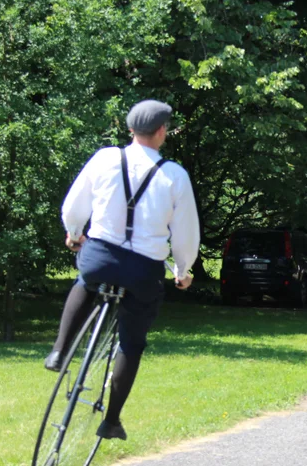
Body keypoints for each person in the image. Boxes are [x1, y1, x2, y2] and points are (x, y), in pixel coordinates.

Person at [44, 99, 200, 441]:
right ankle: (111, 420)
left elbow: (74, 205)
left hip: (100, 255)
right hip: (144, 270)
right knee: (132, 343)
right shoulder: (174, 175)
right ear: (162, 132)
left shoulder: (105, 158)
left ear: (130, 129)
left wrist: (73, 235)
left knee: (85, 281)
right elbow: (186, 233)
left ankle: (59, 350)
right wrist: (184, 270)